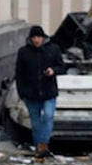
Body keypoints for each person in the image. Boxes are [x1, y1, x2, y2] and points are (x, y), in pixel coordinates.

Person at [15, 24, 65, 157]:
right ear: (30, 39)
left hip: (48, 91)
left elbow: (62, 67)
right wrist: (21, 93)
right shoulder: (24, 52)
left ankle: (43, 145)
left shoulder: (53, 49)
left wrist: (53, 71)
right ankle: (39, 147)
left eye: (39, 37)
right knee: (35, 121)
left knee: (48, 116)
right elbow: (19, 74)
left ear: (43, 38)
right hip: (31, 93)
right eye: (34, 37)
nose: (36, 40)